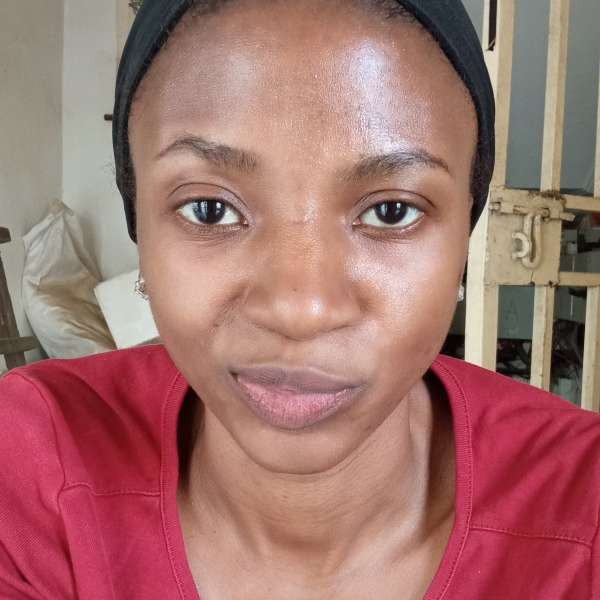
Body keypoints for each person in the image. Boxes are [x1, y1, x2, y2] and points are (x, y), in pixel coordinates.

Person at [1, 0, 598, 598]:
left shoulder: (582, 505)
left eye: (392, 211)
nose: (300, 311)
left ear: (463, 241)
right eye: (210, 209)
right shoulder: (32, 462)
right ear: (142, 231)